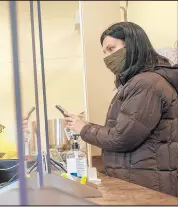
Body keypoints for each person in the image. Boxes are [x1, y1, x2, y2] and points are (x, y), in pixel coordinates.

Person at [64, 22, 178, 197]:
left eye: (111, 48)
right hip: (144, 183)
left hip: (147, 189)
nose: (108, 58)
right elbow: (128, 130)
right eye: (105, 52)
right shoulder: (141, 83)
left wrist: (84, 129)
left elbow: (122, 138)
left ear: (132, 45)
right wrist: (87, 125)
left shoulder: (146, 84)